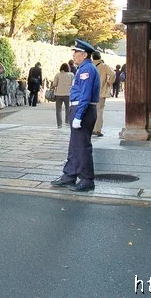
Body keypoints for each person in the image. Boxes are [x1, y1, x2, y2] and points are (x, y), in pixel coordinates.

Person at [50, 39, 100, 192]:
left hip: (82, 109)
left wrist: (79, 115)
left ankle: (86, 179)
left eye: (76, 52)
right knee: (75, 145)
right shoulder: (84, 68)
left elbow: (85, 94)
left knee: (82, 146)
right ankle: (70, 175)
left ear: (84, 54)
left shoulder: (86, 69)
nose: (74, 54)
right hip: (79, 108)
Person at [91, 51, 116, 137]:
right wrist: (109, 82)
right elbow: (113, 74)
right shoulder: (104, 66)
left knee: (89, 111)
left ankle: (89, 128)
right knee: (99, 111)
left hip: (89, 92)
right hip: (101, 92)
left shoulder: (89, 66)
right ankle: (97, 130)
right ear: (100, 57)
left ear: (92, 57)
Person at [50, 63, 74, 128]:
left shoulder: (58, 75)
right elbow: (73, 84)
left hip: (58, 94)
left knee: (58, 110)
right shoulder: (71, 75)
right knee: (68, 108)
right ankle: (67, 121)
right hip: (68, 94)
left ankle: (59, 124)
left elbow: (54, 84)